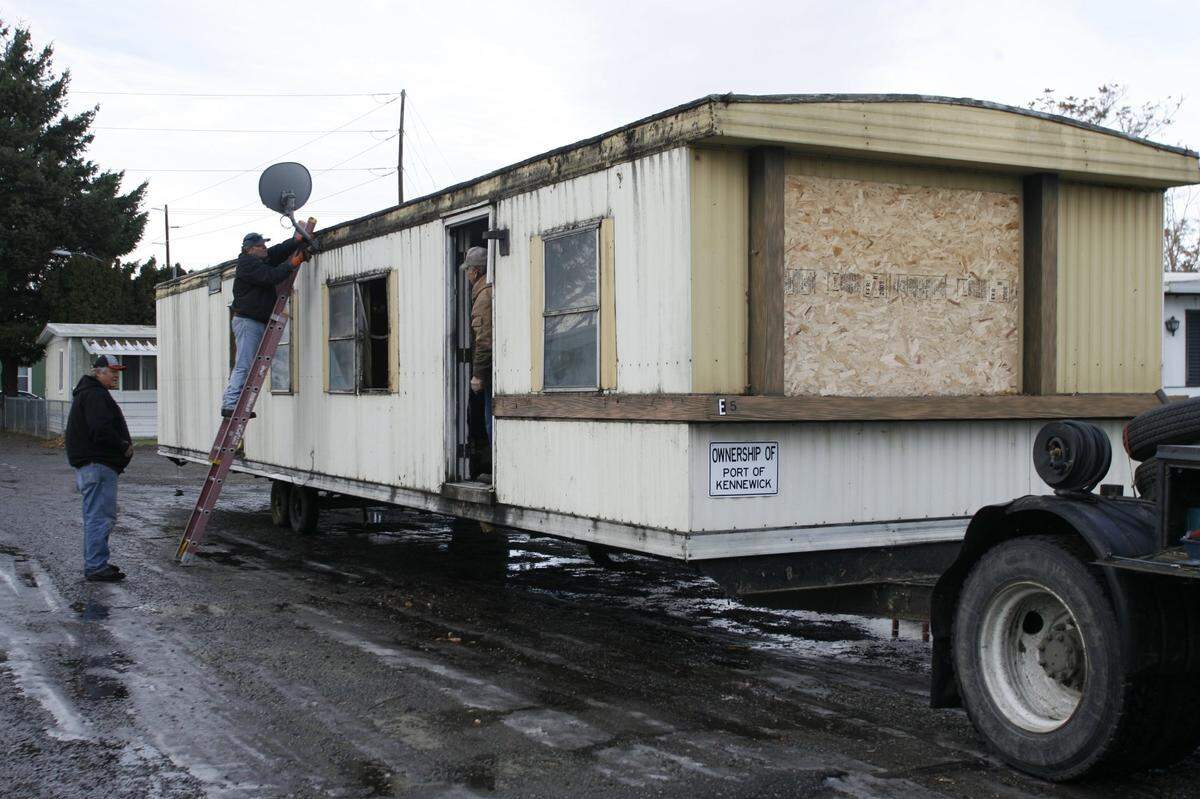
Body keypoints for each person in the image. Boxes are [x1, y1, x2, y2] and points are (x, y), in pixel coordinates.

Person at [65, 355, 134, 582]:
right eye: (111, 371)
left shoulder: (88, 393)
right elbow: (100, 429)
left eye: (117, 372)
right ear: (98, 372)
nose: (116, 376)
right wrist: (123, 445)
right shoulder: (95, 395)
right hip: (98, 465)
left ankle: (97, 562)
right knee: (100, 517)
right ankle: (95, 566)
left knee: (96, 515)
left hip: (92, 466)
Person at [220, 231, 302, 417]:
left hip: (254, 321)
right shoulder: (248, 265)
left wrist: (295, 241)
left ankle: (235, 404)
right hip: (248, 322)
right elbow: (270, 276)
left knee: (247, 364)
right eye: (261, 246)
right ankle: (230, 404)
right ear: (250, 249)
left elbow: (277, 251)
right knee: (244, 364)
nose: (265, 248)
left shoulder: (257, 260)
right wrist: (293, 263)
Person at [462, 246, 493, 475]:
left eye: (467, 271)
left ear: (475, 271)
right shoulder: (487, 292)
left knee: (489, 418)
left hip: (489, 370)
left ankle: (494, 469)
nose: (466, 275)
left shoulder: (483, 297)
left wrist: (477, 375)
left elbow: (484, 340)